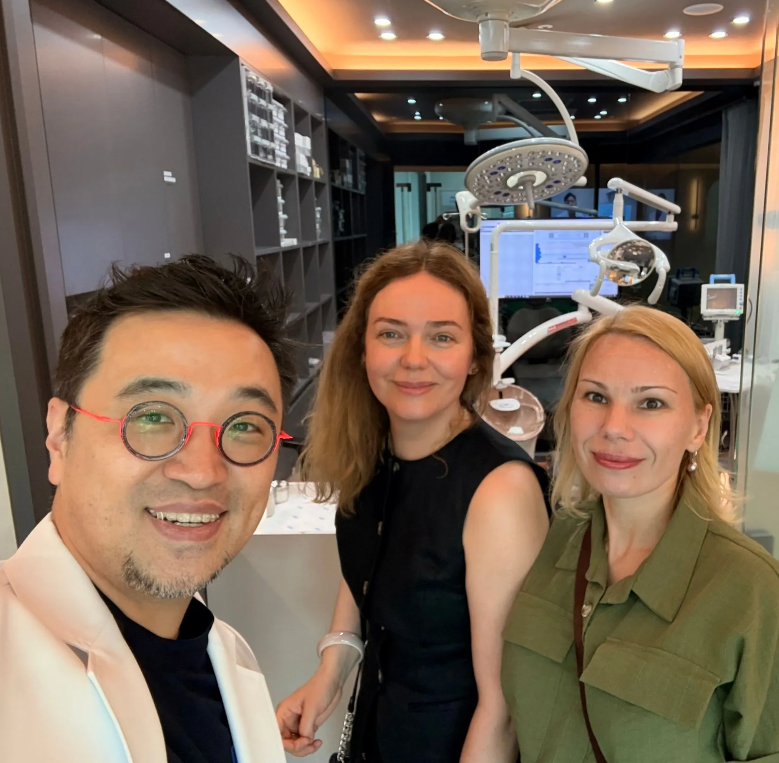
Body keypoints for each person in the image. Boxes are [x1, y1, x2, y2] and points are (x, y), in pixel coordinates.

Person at [0, 255, 295, 763]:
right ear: (58, 435)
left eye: (245, 425)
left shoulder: (225, 656)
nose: (203, 471)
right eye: (153, 415)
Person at [276, 240, 550, 763]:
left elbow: (504, 706)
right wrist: (332, 669)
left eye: (441, 337)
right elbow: (371, 570)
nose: (413, 359)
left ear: (474, 358)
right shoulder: (373, 453)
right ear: (362, 349)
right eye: (391, 334)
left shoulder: (499, 491)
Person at [502, 306, 779, 763]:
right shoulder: (551, 540)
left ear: (698, 425)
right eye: (595, 397)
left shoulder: (751, 591)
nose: (614, 427)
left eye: (651, 403)